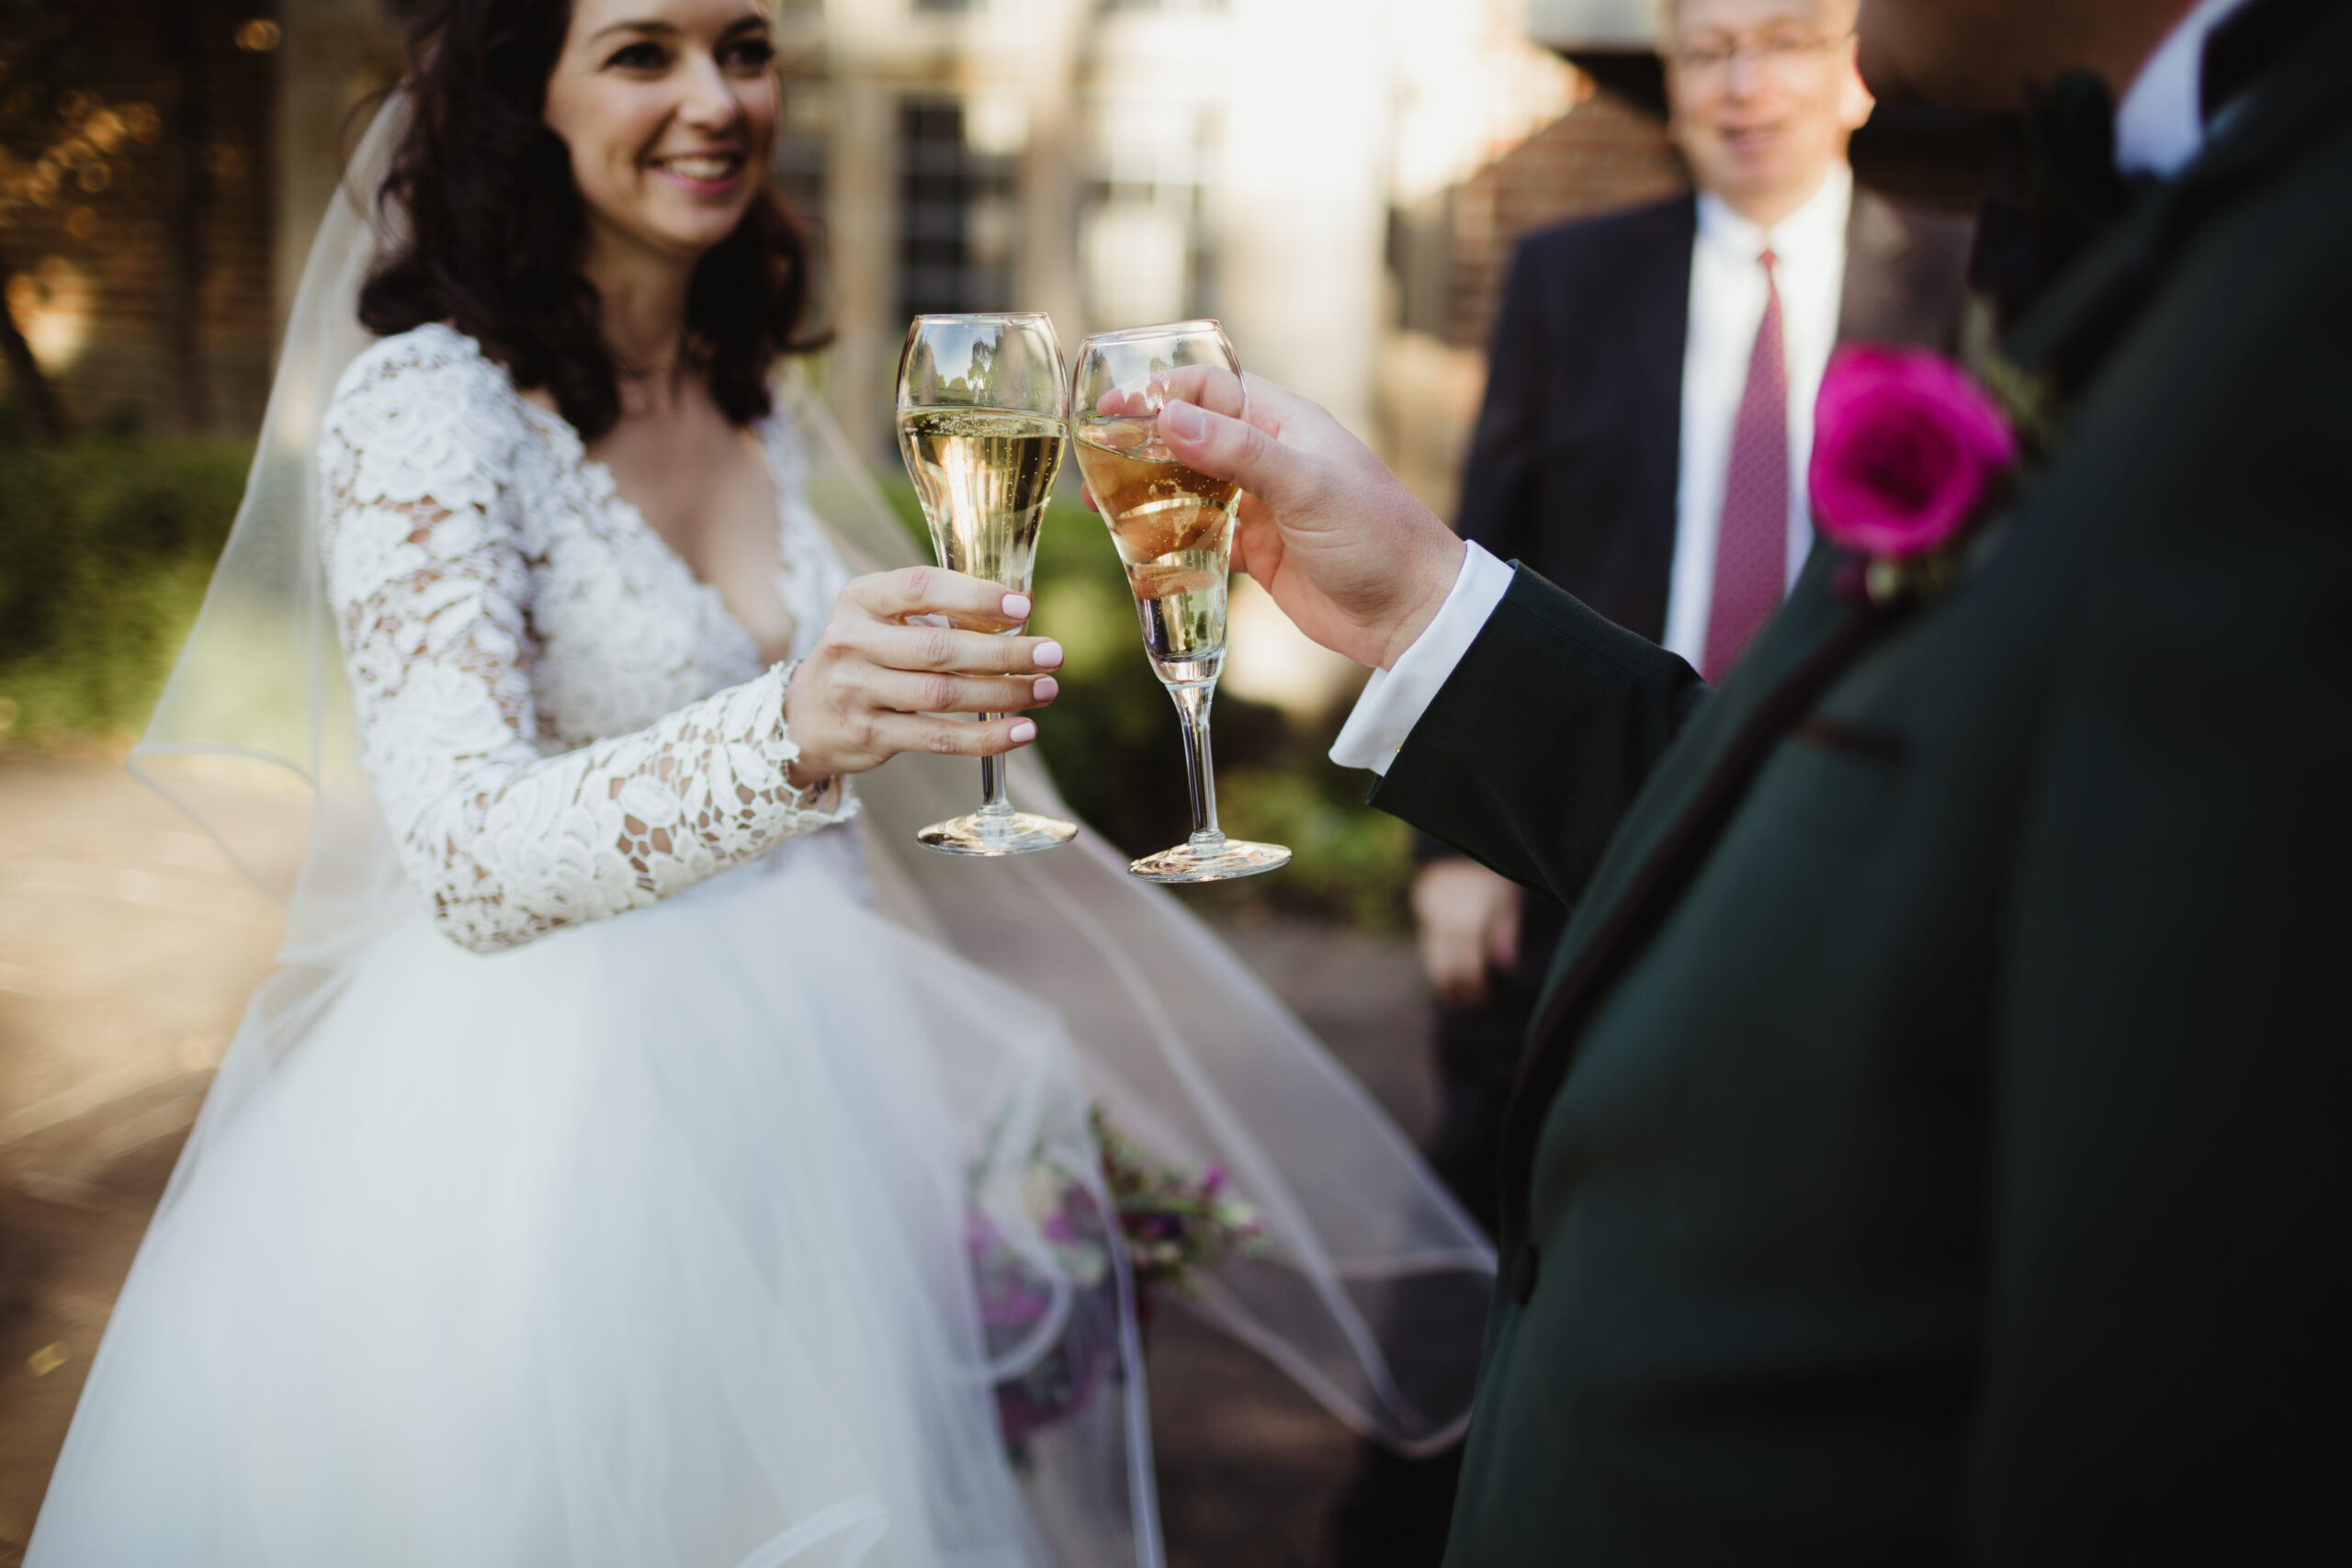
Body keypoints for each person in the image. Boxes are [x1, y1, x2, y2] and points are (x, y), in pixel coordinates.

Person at [24, 0, 1492, 1561]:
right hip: (538, 1136)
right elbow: (459, 853)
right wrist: (788, 729)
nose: (715, 99)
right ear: (529, 94)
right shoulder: (423, 404)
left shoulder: (754, 393)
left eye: (746, 45)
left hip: (816, 1090)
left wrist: (968, 1127)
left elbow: (850, 842)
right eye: (642, 52)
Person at [1143, 0, 2352, 1556]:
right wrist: (1417, 608)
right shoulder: (2168, 220)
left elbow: (2182, 1380)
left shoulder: (2301, 327)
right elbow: (1874, 841)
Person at [1350, 6, 1969, 1555]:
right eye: (1707, 51)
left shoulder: (1968, 273)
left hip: (1844, 854)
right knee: (1486, 1262)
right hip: (1573, 855)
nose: (1745, 84)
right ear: (1672, 81)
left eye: (1782, 41)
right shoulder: (1574, 276)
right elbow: (1485, 541)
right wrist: (1452, 850)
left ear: (1858, 65)